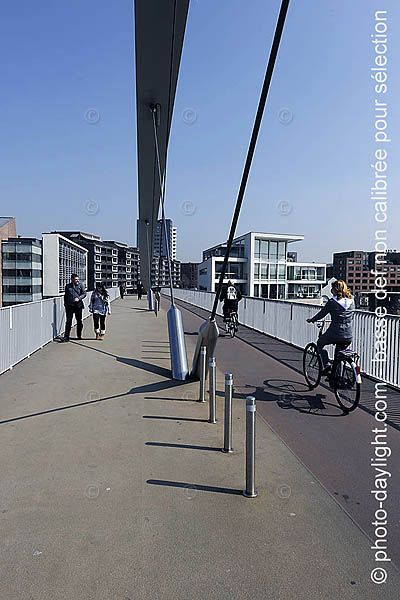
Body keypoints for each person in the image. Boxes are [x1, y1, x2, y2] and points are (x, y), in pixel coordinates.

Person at [306, 279, 355, 375]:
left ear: (336, 289)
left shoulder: (332, 302)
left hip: (335, 333)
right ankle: (337, 377)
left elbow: (321, 314)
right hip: (348, 334)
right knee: (339, 355)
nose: (330, 290)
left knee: (320, 344)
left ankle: (326, 364)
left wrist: (312, 319)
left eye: (332, 288)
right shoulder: (352, 302)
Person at [62, 273, 86, 342]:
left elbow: (84, 293)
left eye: (78, 279)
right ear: (72, 279)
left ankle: (79, 335)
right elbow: (65, 296)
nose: (77, 281)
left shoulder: (81, 285)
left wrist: (79, 298)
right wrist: (65, 303)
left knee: (79, 321)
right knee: (68, 321)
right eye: (76, 279)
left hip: (78, 305)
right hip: (69, 306)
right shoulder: (67, 286)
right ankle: (66, 337)